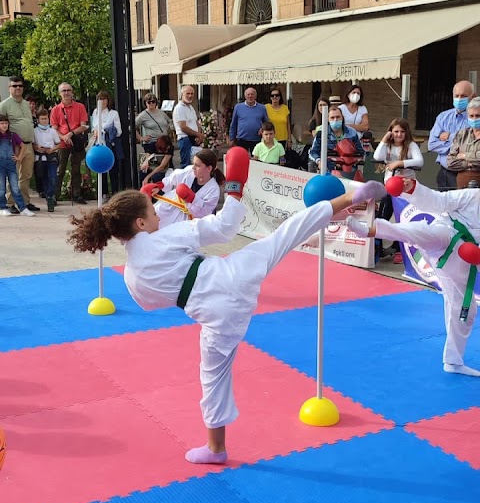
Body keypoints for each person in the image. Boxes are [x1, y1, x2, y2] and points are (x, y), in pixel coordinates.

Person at [68, 149, 385, 463]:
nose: (158, 215)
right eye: (153, 213)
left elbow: (150, 303)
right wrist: (234, 187)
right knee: (283, 236)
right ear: (139, 223)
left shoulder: (132, 276)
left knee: (213, 378)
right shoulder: (164, 238)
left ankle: (215, 448)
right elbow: (225, 227)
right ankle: (345, 201)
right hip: (233, 276)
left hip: (216, 318)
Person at [346, 176, 480, 376]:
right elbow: (438, 201)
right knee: (424, 232)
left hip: (461, 263)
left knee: (465, 312)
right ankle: (369, 229)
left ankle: (453, 361)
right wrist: (413, 188)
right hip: (447, 233)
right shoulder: (472, 196)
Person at [373, 118, 424, 263]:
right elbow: (377, 156)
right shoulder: (388, 146)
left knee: (403, 219)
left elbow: (419, 161)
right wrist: (384, 139)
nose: (399, 134)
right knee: (383, 216)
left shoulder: (411, 145)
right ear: (391, 132)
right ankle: (377, 246)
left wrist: (400, 163)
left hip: (407, 188)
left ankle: (399, 248)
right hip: (390, 187)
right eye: (396, 131)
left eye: (402, 131)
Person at [143, 149, 223, 228]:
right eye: (193, 164)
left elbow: (205, 213)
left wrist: (192, 199)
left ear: (209, 168)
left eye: (197, 165)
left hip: (189, 220)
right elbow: (174, 177)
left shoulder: (213, 189)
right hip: (171, 207)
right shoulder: (189, 171)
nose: (193, 168)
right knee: (155, 216)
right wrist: (160, 186)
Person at [0, 76, 39, 213]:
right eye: (15, 86)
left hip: (28, 145)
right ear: (9, 88)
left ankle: (25, 202)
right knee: (13, 174)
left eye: (20, 86)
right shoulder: (4, 105)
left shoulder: (26, 104)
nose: (18, 88)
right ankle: (10, 204)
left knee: (26, 175)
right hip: (13, 145)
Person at [428, 79, 474, 190]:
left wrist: (449, 136)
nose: (459, 99)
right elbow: (432, 144)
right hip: (445, 174)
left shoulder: (475, 118)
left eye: (463, 96)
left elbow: (473, 147)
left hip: (469, 174)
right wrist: (458, 147)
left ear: (472, 97)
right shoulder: (443, 117)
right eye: (456, 95)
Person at [50, 82, 89, 204]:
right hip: (62, 144)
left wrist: (71, 134)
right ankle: (55, 196)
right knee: (59, 170)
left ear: (72, 92)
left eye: (68, 90)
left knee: (76, 169)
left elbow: (84, 126)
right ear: (59, 93)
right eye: (63, 91)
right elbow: (53, 128)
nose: (66, 93)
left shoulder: (80, 107)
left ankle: (76, 194)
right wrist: (64, 137)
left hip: (76, 142)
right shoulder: (56, 110)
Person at [309, 102, 364, 178]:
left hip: (349, 169)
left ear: (342, 118)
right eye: (332, 117)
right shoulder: (322, 133)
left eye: (338, 117)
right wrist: (319, 161)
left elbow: (360, 151)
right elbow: (313, 152)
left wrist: (356, 158)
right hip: (328, 169)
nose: (335, 120)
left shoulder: (352, 132)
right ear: (328, 119)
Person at [91, 92, 123, 200]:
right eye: (100, 98)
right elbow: (94, 126)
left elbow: (118, 131)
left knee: (113, 170)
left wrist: (104, 130)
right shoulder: (95, 112)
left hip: (110, 144)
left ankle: (114, 193)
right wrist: (96, 130)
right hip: (99, 144)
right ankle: (103, 193)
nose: (102, 101)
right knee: (101, 170)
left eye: (104, 99)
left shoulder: (113, 113)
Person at [0, 115, 35, 216]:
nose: (4, 125)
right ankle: (2, 207)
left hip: (11, 165)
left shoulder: (12, 135)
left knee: (15, 187)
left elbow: (22, 145)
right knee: (1, 189)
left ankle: (23, 208)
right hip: (0, 166)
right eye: (1, 123)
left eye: (6, 123)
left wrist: (19, 157)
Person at [446, 97, 480, 187]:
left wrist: (464, 156)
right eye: (471, 116)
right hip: (462, 184)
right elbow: (450, 162)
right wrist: (469, 163)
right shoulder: (462, 134)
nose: (474, 119)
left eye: (478, 116)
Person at [33, 107, 61, 212]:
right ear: (38, 120)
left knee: (53, 178)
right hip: (40, 158)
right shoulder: (35, 131)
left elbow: (59, 144)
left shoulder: (52, 131)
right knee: (43, 178)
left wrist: (52, 149)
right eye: (42, 119)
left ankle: (50, 195)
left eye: (46, 118)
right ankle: (48, 198)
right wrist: (37, 148)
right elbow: (33, 144)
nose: (44, 121)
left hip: (51, 157)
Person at [229, 87, 268, 154]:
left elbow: (266, 123)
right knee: (241, 160)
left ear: (255, 96)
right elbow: (234, 123)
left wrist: (262, 128)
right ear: (245, 96)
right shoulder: (238, 107)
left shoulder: (262, 108)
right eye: (248, 94)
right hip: (242, 139)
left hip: (256, 139)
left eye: (252, 94)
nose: (250, 96)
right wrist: (232, 138)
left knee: (257, 161)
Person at [172, 86, 203, 168]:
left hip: (193, 138)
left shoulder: (191, 107)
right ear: (182, 94)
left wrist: (198, 134)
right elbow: (183, 127)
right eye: (187, 93)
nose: (190, 96)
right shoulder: (179, 108)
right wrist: (198, 134)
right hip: (185, 139)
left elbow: (196, 122)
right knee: (187, 165)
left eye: (192, 94)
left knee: (195, 164)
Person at [135, 92, 171, 158]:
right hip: (152, 143)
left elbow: (169, 121)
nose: (151, 103)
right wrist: (141, 138)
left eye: (153, 101)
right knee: (154, 163)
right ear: (145, 103)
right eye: (149, 102)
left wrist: (169, 131)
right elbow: (132, 127)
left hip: (165, 142)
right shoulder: (143, 115)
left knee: (167, 163)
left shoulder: (161, 112)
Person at [306, 97, 329, 172]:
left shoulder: (331, 119)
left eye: (324, 105)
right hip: (318, 150)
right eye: (320, 105)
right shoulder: (314, 121)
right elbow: (315, 136)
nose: (322, 107)